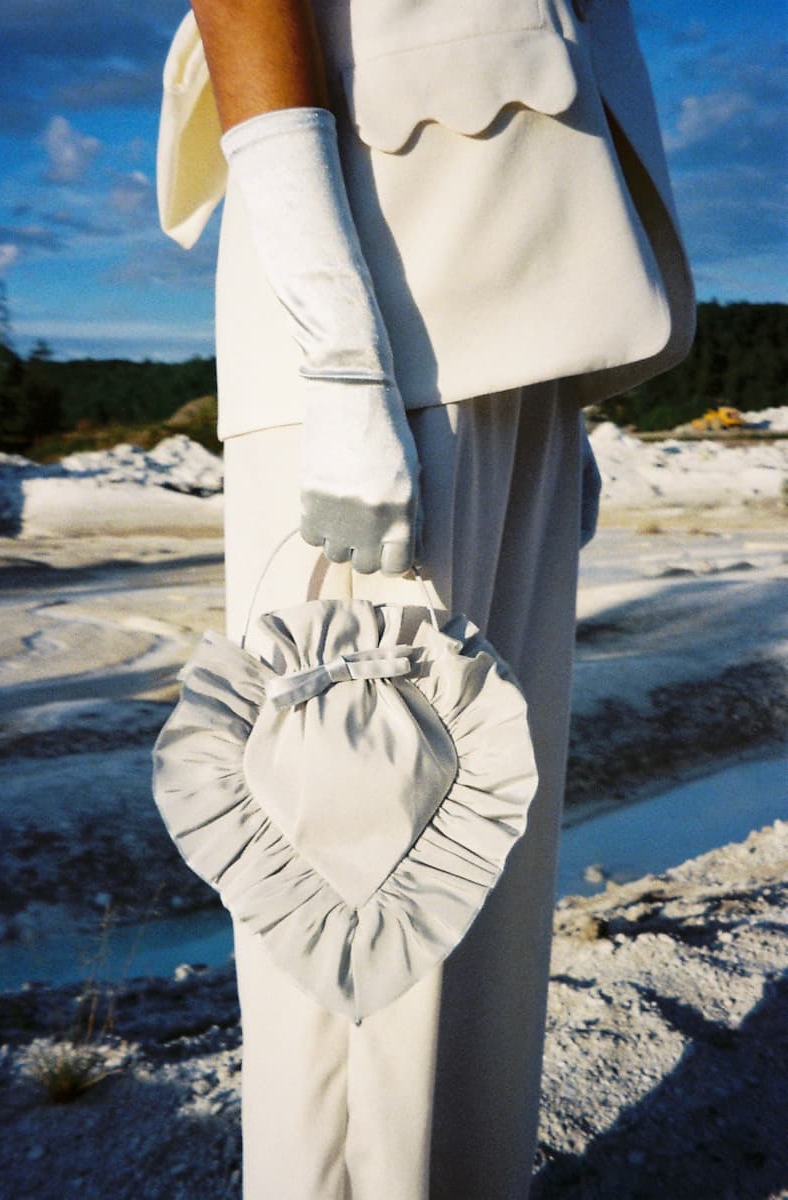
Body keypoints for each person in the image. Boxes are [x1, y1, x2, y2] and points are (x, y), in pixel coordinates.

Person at [156, 1, 695, 1196]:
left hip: (513, 336)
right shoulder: (352, 342)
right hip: (377, 323)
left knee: (483, 927)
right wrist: (335, 343)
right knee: (363, 944)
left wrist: (558, 390)